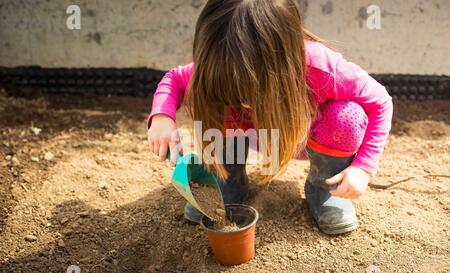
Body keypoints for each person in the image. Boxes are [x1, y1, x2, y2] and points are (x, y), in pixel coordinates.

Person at [147, 0, 393, 235]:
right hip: (241, 132)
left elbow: (380, 101)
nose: (244, 101)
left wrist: (363, 169)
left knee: (348, 116)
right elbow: (175, 79)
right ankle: (225, 181)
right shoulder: (220, 64)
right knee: (210, 98)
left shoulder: (322, 68)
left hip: (300, 135)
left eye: (250, 89)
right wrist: (161, 117)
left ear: (282, 62)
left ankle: (324, 190)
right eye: (232, 89)